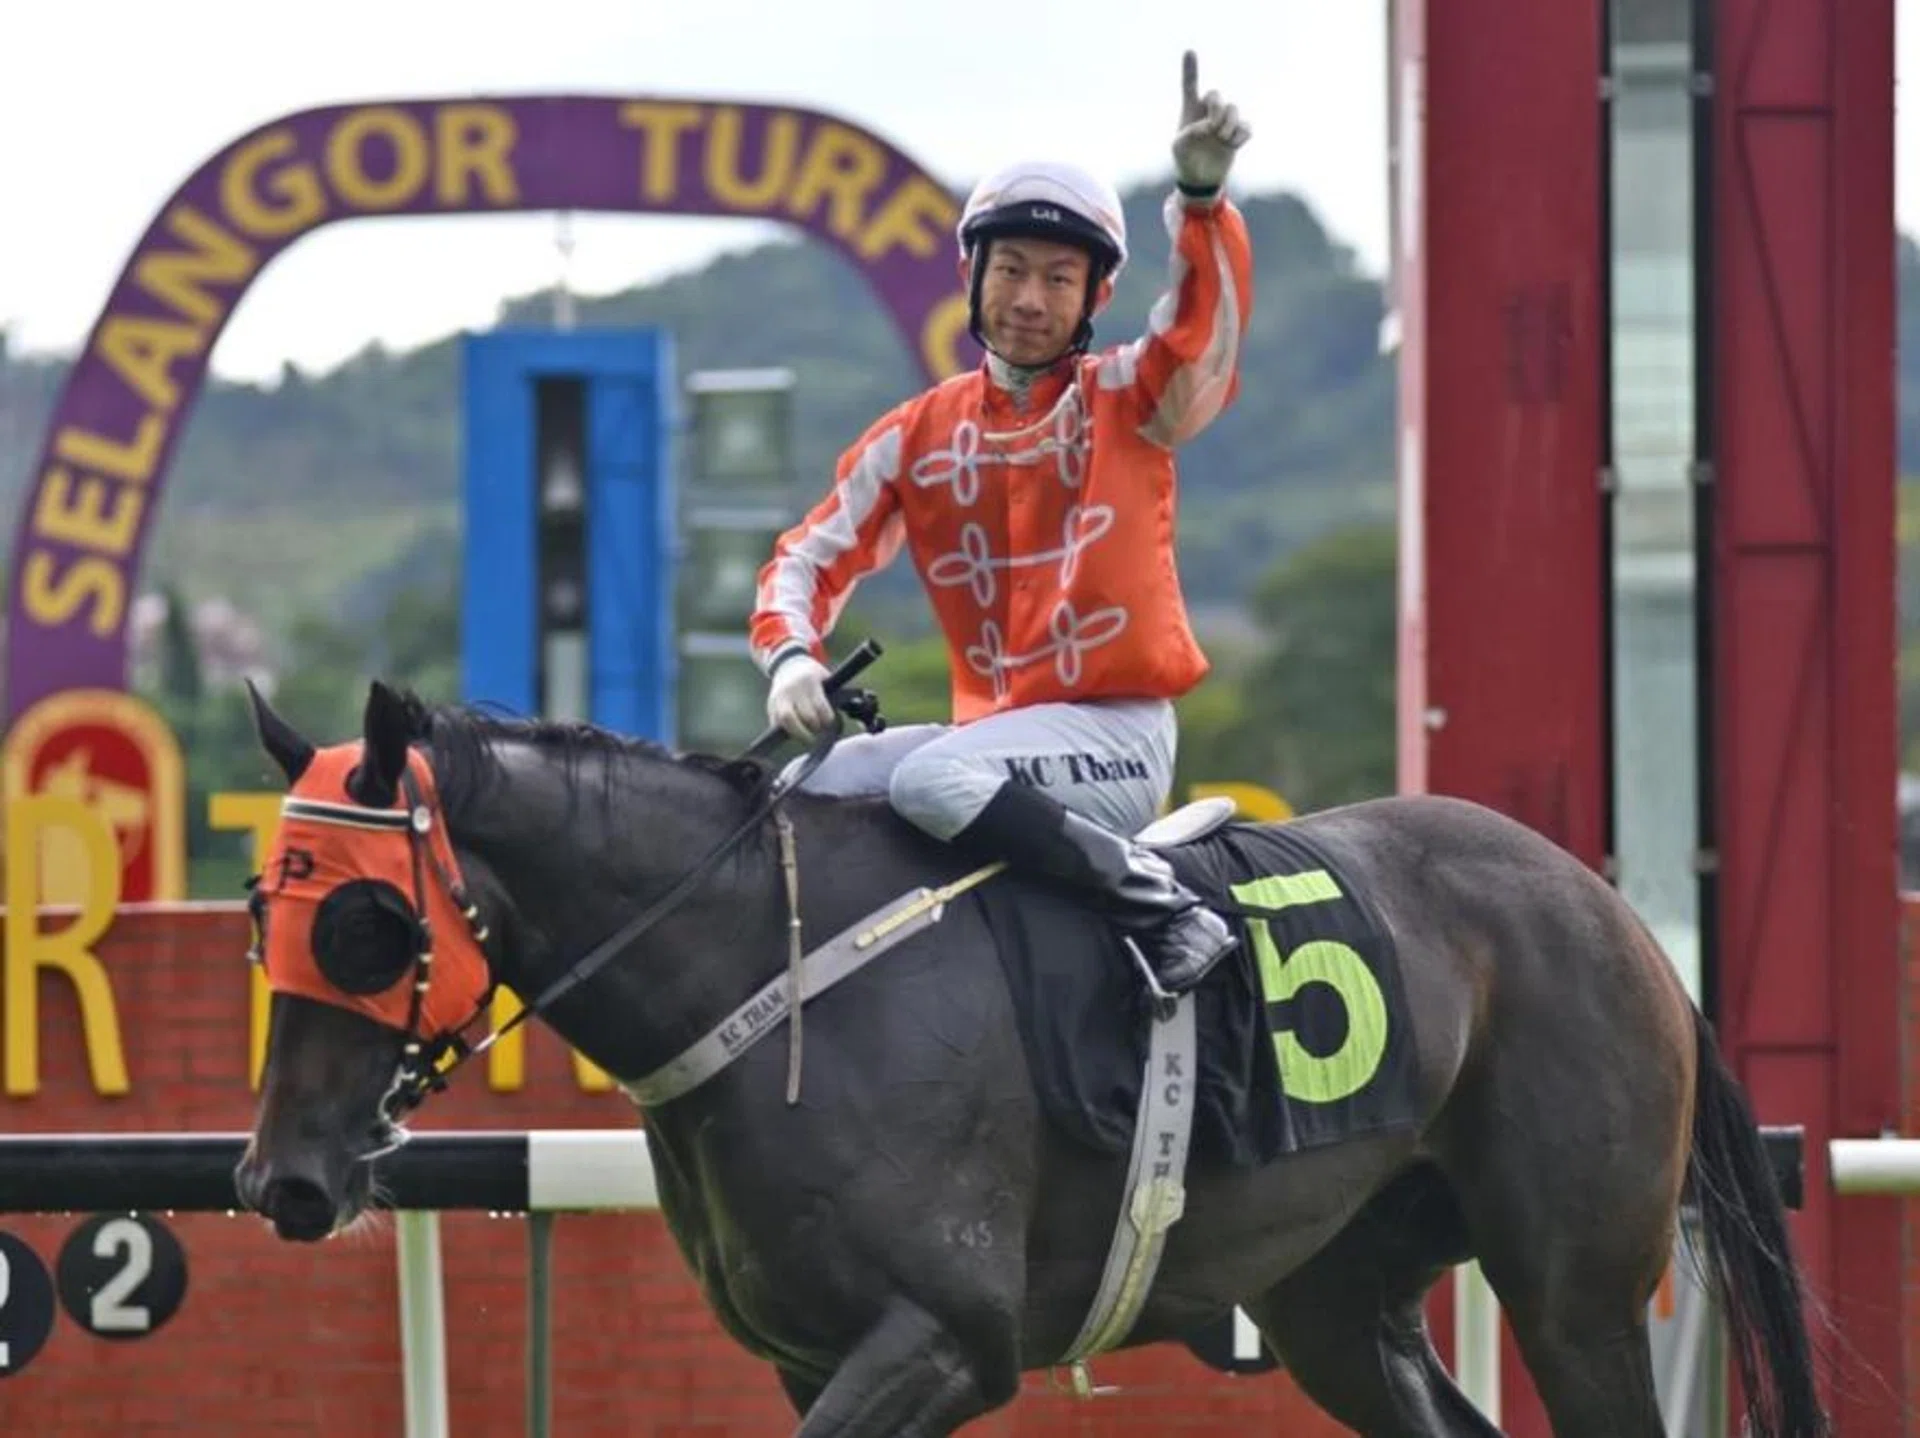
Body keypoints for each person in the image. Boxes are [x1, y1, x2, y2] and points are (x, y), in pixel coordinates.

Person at [749, 51, 1253, 998]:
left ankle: (1165, 906)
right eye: (1010, 270)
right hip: (998, 743)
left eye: (1058, 280)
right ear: (970, 274)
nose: (1028, 299)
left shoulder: (1133, 396)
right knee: (799, 791)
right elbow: (802, 561)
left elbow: (1198, 334)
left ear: (1095, 298)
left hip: (1114, 735)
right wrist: (790, 659)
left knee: (928, 785)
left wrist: (1199, 198)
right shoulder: (917, 433)